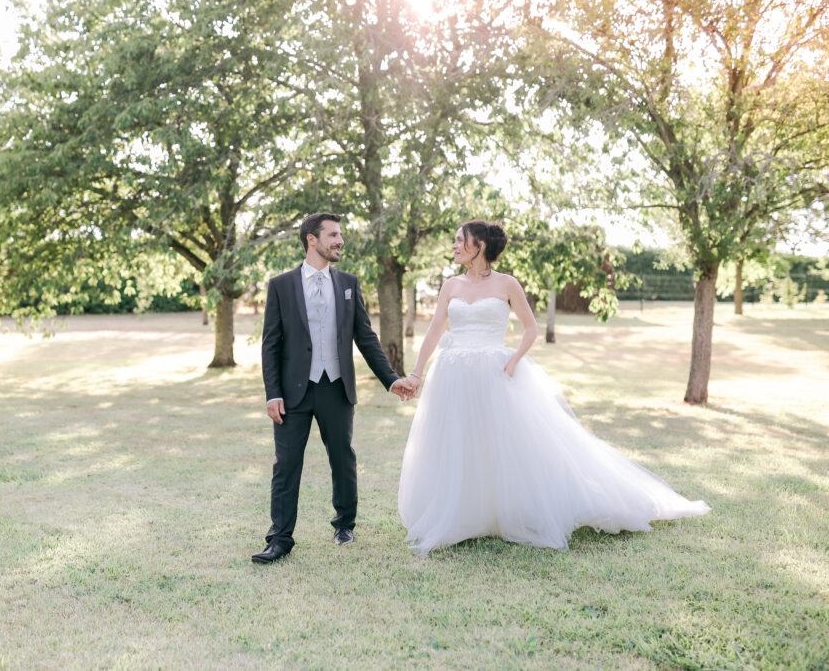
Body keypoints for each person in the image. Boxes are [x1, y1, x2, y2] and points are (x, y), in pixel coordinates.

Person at [397, 220, 710, 555]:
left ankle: (509, 510)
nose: (455, 245)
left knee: (504, 445)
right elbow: (433, 332)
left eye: (461, 240)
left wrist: (514, 360)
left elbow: (530, 329)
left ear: (480, 245)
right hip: (453, 372)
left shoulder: (507, 284)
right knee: (458, 442)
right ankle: (463, 514)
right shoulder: (450, 286)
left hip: (494, 372)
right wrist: (416, 374)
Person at [253, 212, 413, 565]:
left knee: (342, 458)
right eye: (334, 234)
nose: (340, 241)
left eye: (340, 235)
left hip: (336, 387)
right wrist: (272, 393)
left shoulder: (349, 283)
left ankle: (344, 524)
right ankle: (280, 538)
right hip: (293, 391)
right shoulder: (281, 285)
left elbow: (366, 338)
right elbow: (271, 344)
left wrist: (391, 379)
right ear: (313, 239)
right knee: (286, 464)